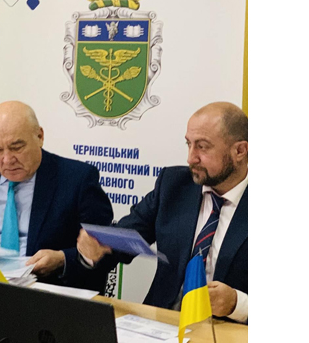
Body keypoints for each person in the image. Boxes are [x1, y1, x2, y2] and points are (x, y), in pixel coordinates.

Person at [77, 102, 248, 322]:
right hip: (160, 324)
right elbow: (123, 239)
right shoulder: (174, 185)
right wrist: (95, 247)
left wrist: (237, 303)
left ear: (239, 151)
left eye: (203, 147)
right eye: (189, 144)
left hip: (226, 330)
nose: (191, 158)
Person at [0, 101, 114, 292]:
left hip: (47, 293)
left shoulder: (77, 179)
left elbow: (105, 249)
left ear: (40, 136)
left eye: (16, 147)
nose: (7, 160)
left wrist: (62, 259)